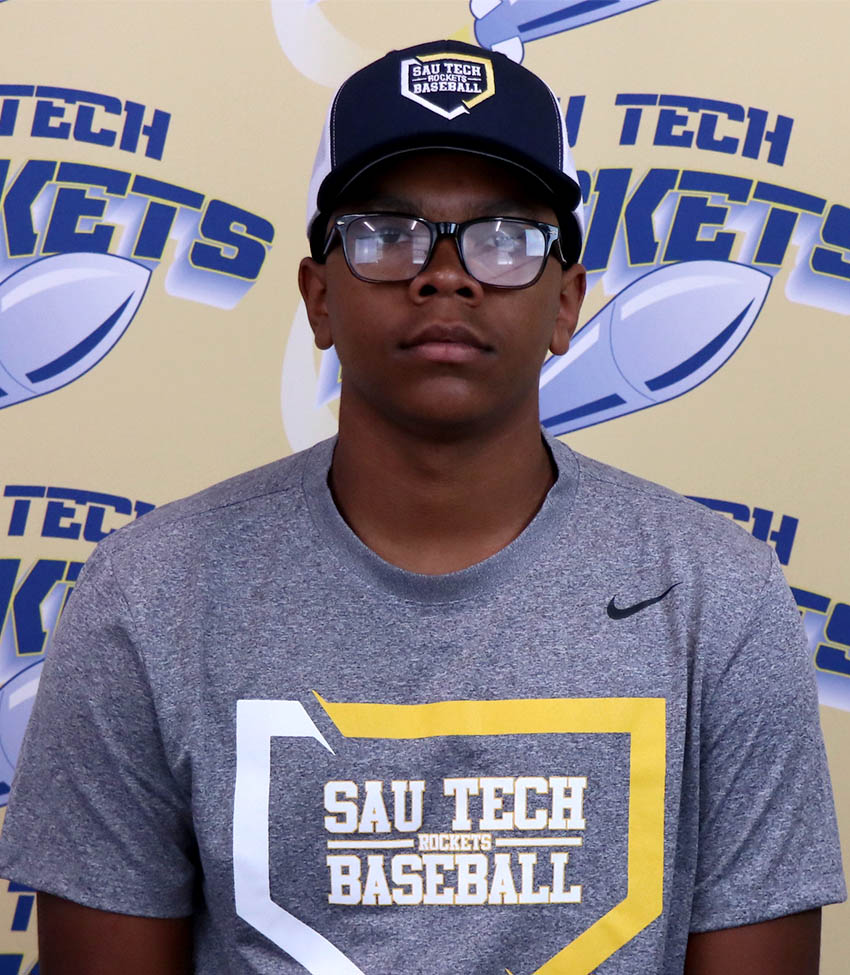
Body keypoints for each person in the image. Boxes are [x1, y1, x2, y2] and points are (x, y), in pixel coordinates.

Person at [0, 39, 844, 975]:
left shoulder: (717, 597)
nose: (446, 272)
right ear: (318, 298)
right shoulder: (147, 593)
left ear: (568, 302)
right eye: (386, 233)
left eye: (505, 238)